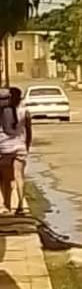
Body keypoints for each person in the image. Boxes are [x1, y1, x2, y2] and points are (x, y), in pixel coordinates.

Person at [0, 87, 32, 216]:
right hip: (19, 146)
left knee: (5, 179)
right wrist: (27, 146)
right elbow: (29, 132)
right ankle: (20, 206)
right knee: (19, 176)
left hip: (3, 147)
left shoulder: (2, 111)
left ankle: (5, 205)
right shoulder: (25, 112)